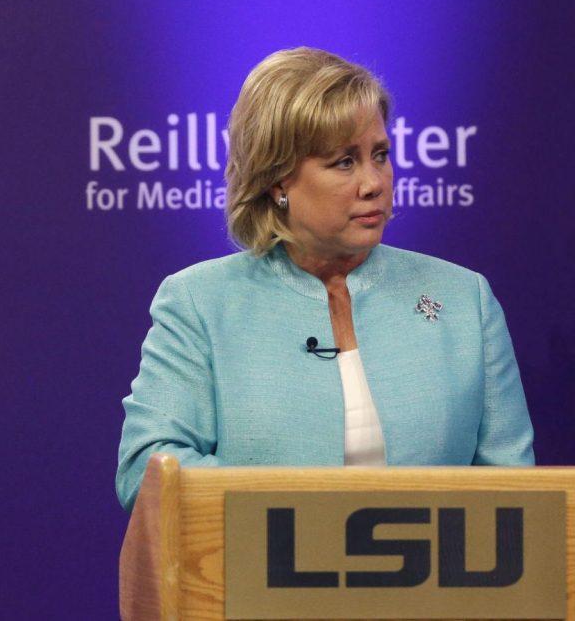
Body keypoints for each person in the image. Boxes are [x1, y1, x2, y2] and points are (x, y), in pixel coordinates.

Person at [115, 47, 534, 510]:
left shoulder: (463, 299)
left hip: (438, 580)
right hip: (259, 578)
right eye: (344, 162)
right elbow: (147, 469)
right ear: (278, 180)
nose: (374, 182)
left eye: (380, 155)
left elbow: (515, 491)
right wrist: (296, 516)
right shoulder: (200, 303)